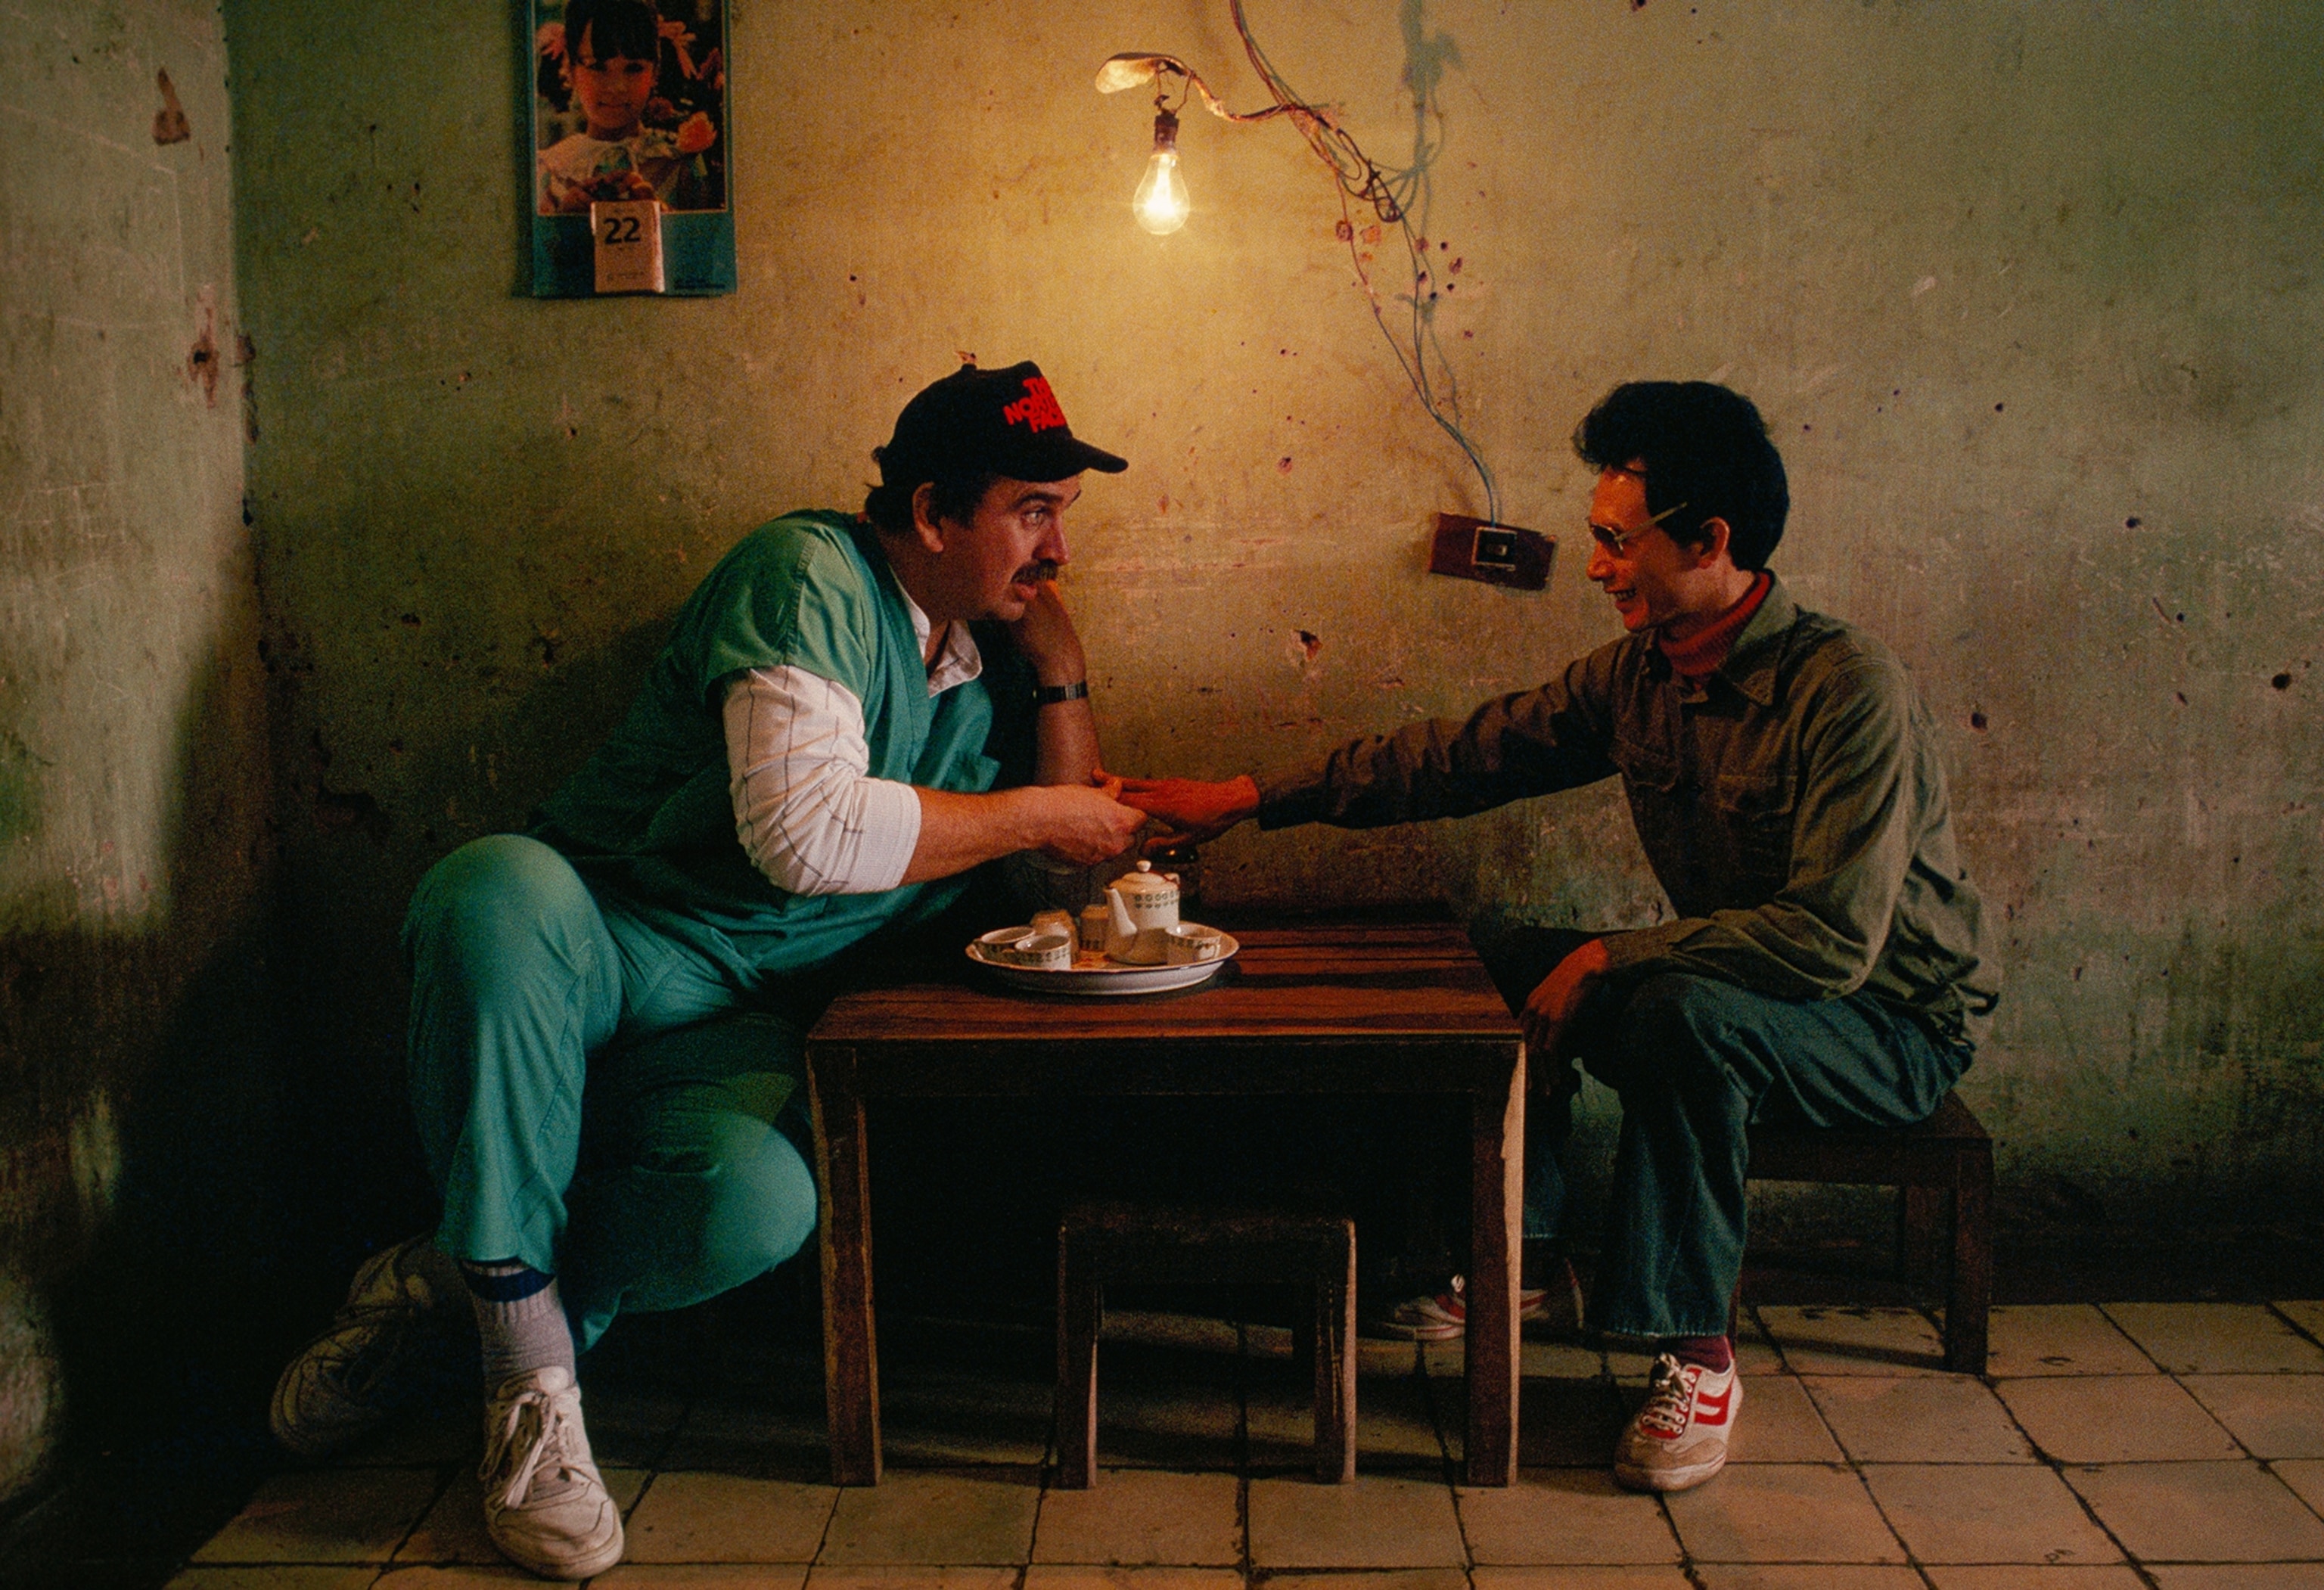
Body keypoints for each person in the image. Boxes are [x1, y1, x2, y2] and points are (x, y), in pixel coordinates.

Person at [268, 361, 1146, 1577]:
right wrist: (1040, 811)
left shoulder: (984, 651)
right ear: (935, 513)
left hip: (740, 1017)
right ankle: (530, 1388)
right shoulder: (808, 574)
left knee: (758, 1207)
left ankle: (442, 1291)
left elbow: (1063, 886)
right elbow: (807, 834)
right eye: (1032, 512)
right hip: (606, 940)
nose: (1058, 550)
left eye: (1064, 514)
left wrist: (1060, 665)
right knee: (487, 890)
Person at [1114, 380, 1999, 1494]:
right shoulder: (1640, 675)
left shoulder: (1848, 689)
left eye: (1617, 542)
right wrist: (1244, 796)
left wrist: (1613, 954)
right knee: (1503, 964)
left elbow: (1828, 940)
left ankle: (1699, 1359)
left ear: (1710, 540)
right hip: (1733, 999)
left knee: (1684, 1016)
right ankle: (1516, 1257)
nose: (1593, 567)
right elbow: (1459, 757)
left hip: (1887, 1028)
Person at [536, 0, 719, 215]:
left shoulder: (681, 166)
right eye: (597, 66)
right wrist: (563, 222)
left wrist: (661, 217)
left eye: (633, 68)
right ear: (571, 70)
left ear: (655, 72)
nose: (616, 87)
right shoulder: (549, 169)